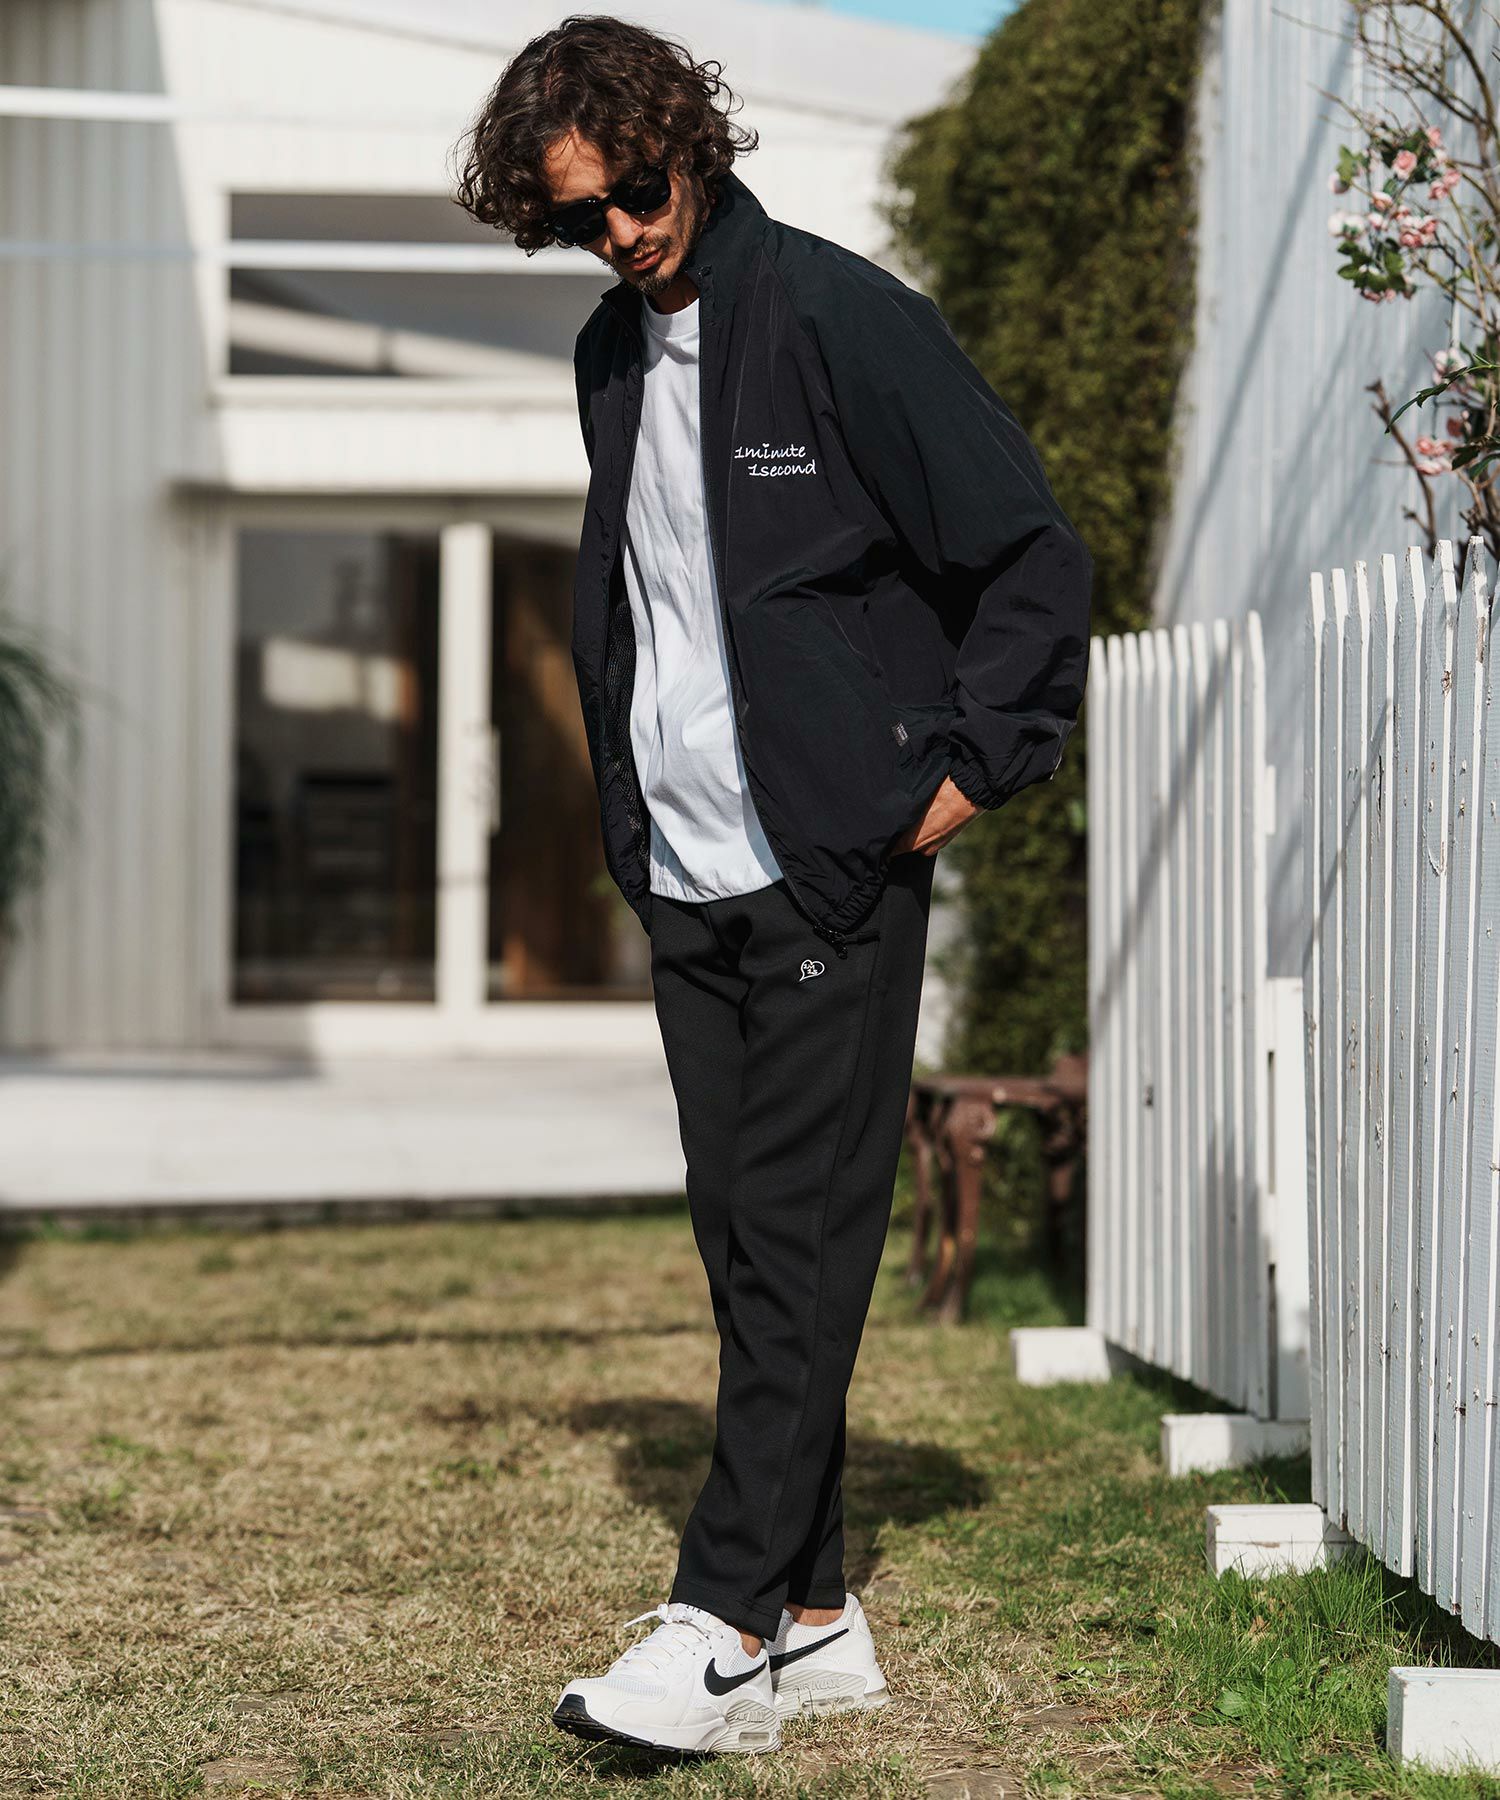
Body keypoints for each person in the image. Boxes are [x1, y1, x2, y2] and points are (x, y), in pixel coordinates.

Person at [455, 12, 1092, 1758]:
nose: (619, 233)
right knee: (752, 1244)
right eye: (578, 216)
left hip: (828, 865)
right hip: (688, 867)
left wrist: (952, 780)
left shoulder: (837, 316)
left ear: (689, 144)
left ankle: (720, 1622)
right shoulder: (610, 354)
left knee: (803, 1243)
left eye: (636, 193)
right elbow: (658, 601)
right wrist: (640, 833)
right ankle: (812, 1616)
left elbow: (1029, 557)